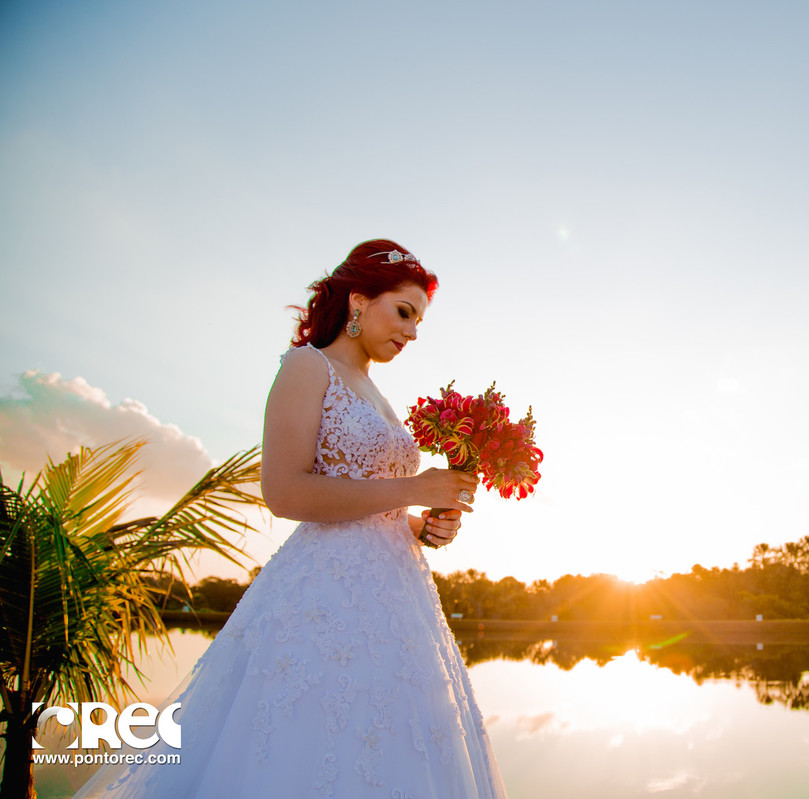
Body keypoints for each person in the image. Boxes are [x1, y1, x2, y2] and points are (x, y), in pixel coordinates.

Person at [75, 240, 507, 798]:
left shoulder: (378, 395)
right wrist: (415, 487)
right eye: (404, 312)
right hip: (323, 600)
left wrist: (420, 526)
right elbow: (283, 492)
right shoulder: (308, 366)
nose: (412, 332)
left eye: (419, 322)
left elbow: (374, 506)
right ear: (358, 300)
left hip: (400, 606)